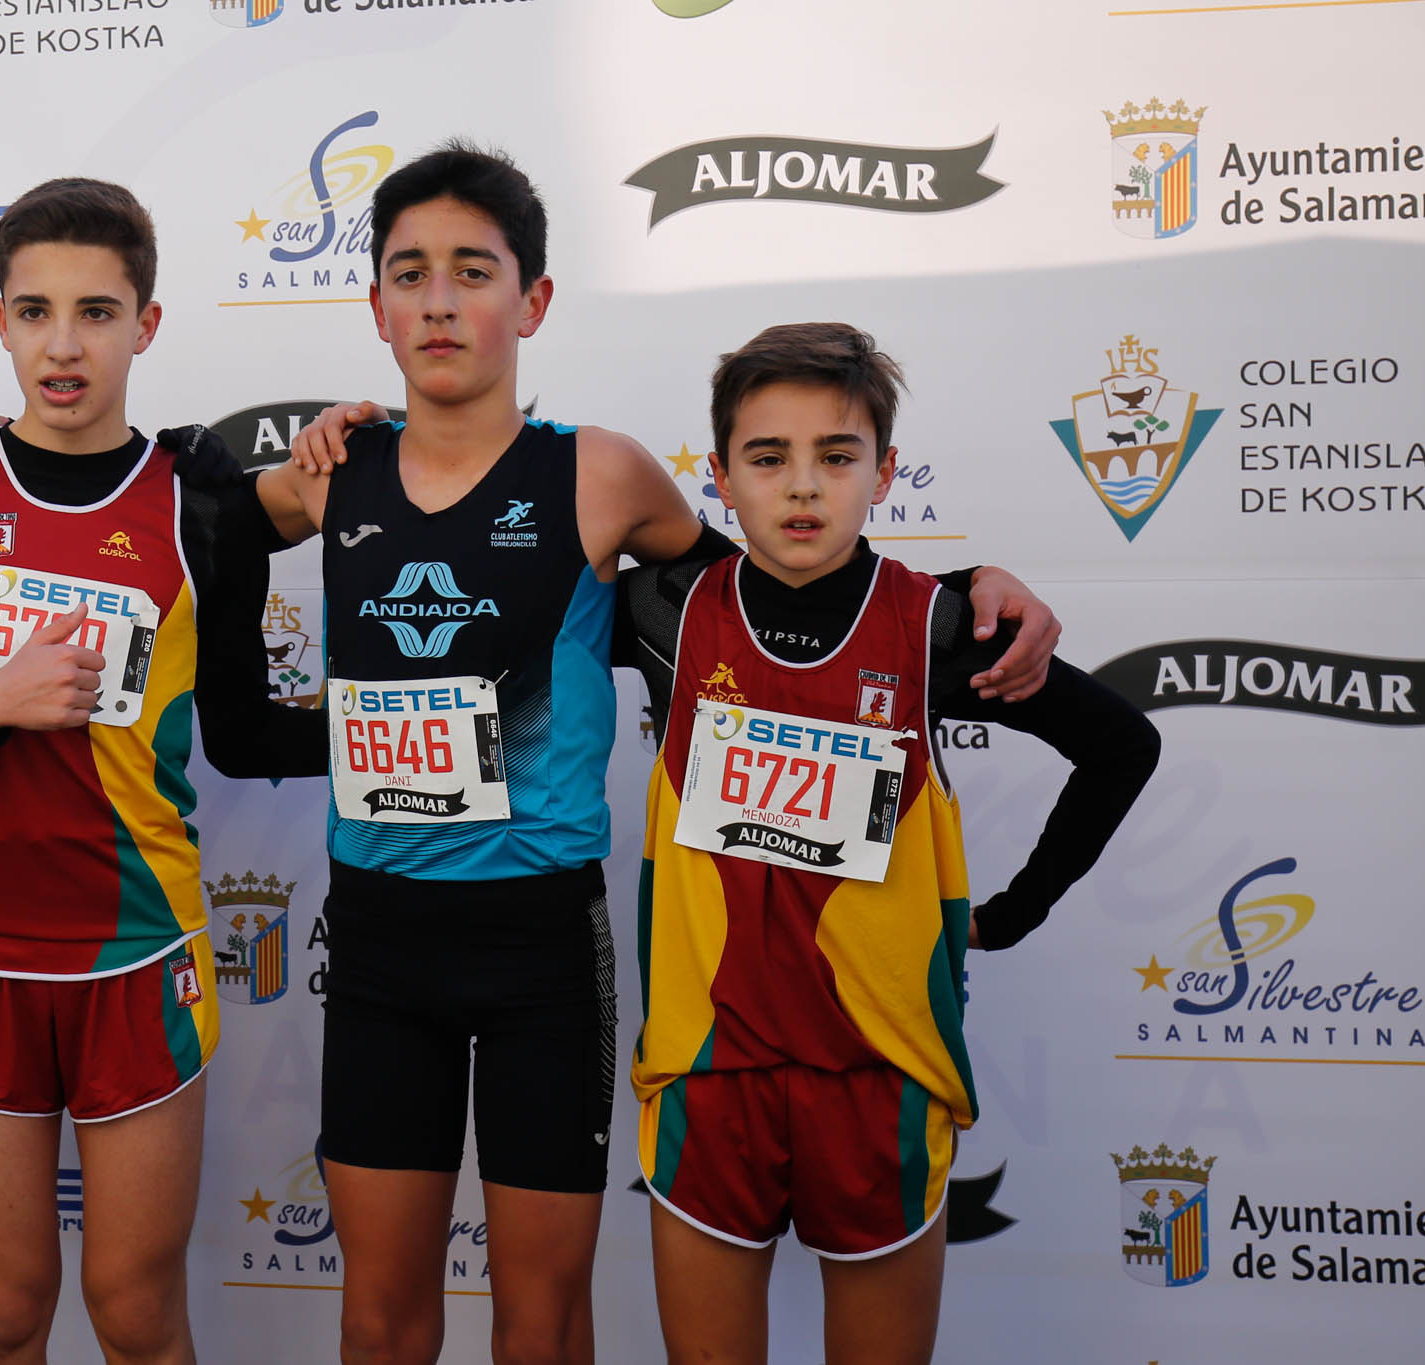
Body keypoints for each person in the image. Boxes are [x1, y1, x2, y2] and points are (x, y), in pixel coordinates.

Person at [253, 144, 1061, 1365]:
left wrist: (954, 596)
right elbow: (171, 503)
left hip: (543, 952)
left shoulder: (605, 472)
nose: (436, 300)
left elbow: (766, 586)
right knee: (378, 1325)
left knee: (538, 1330)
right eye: (407, 274)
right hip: (373, 946)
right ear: (372, 304)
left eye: (471, 271)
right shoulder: (334, 470)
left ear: (530, 302)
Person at [0, 177, 318, 1365]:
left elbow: (249, 736)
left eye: (97, 312)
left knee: (136, 1313)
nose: (64, 345)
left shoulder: (198, 502)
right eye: (36, 310)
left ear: (144, 326)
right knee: (0, 1315)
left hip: (140, 953)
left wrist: (438, 732)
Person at [621, 323, 1160, 1365]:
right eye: (766, 458)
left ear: (883, 472)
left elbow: (1120, 747)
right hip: (707, 1072)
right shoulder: (661, 611)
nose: (802, 487)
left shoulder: (939, 629)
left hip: (881, 1080)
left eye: (836, 455)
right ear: (720, 480)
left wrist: (1013, 911)